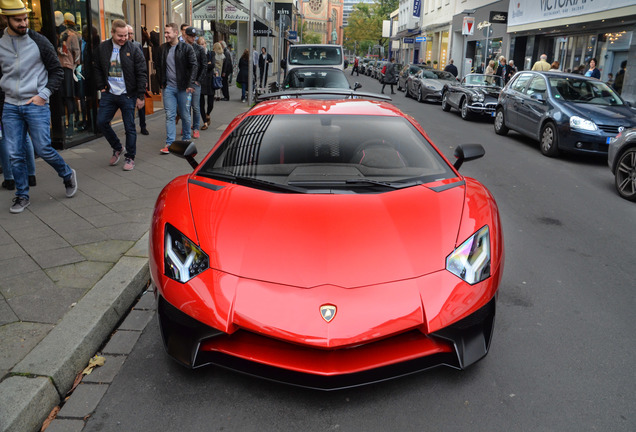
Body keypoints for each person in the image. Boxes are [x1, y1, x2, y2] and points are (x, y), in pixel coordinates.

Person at [0, 0, 77, 213]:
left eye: (25, 18)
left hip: (35, 102)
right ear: (6, 19)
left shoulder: (39, 41)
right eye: (18, 20)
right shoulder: (0, 42)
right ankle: (22, 195)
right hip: (10, 105)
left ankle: (67, 173)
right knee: (14, 153)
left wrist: (43, 95)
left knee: (43, 148)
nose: (24, 23)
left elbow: (57, 71)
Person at [94, 20, 146, 171]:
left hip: (128, 94)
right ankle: (117, 147)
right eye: (120, 36)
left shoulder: (134, 48)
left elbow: (141, 72)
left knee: (129, 127)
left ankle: (130, 157)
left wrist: (140, 96)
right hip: (109, 93)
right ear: (112, 33)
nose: (124, 38)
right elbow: (96, 67)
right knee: (102, 122)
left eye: (126, 35)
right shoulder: (103, 48)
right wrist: (101, 87)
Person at [157, 22, 197, 154]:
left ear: (176, 33)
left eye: (168, 33)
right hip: (169, 88)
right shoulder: (162, 48)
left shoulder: (186, 48)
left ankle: (186, 139)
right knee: (170, 115)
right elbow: (158, 66)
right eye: (165, 32)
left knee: (185, 114)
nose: (166, 35)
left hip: (184, 88)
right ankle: (170, 144)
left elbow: (193, 66)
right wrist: (161, 82)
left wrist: (191, 84)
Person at [57, 12, 80, 136]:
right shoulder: (59, 35)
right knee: (61, 97)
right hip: (59, 67)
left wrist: (76, 67)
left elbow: (77, 52)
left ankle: (71, 125)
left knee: (69, 96)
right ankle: (63, 127)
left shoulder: (71, 35)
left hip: (68, 67)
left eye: (58, 18)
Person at [127, 24, 149, 135]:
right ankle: (130, 128)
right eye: (128, 33)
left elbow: (142, 62)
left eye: (131, 33)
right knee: (129, 107)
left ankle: (143, 126)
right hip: (128, 82)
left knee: (141, 105)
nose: (130, 36)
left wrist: (144, 80)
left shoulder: (137, 45)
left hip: (137, 79)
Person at [184, 27, 205, 138]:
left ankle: (196, 128)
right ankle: (186, 126)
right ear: (186, 35)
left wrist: (198, 80)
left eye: (194, 36)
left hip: (196, 83)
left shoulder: (199, 49)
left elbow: (204, 66)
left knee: (195, 107)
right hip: (185, 83)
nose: (193, 38)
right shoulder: (181, 48)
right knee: (185, 107)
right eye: (191, 36)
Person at [196, 36, 212, 130]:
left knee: (210, 104)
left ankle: (208, 114)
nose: (202, 46)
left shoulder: (210, 53)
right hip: (200, 81)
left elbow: (212, 65)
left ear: (206, 44)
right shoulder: (196, 55)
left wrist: (205, 65)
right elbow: (198, 66)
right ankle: (205, 122)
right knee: (201, 103)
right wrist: (207, 64)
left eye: (203, 44)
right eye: (200, 44)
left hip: (209, 82)